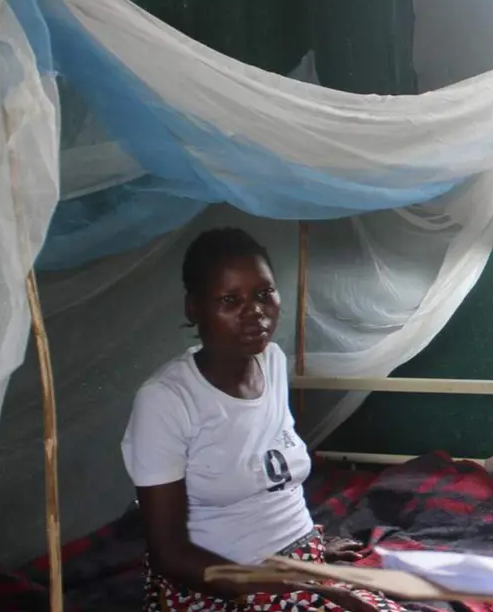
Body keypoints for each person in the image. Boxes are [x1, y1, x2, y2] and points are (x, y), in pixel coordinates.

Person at [122, 227, 400, 612]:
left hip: (298, 566)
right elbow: (171, 556)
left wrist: (311, 546)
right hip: (224, 585)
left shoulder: (271, 362)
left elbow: (274, 480)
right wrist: (307, 587)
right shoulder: (166, 401)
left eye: (264, 293)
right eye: (229, 299)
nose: (254, 312)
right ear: (194, 308)